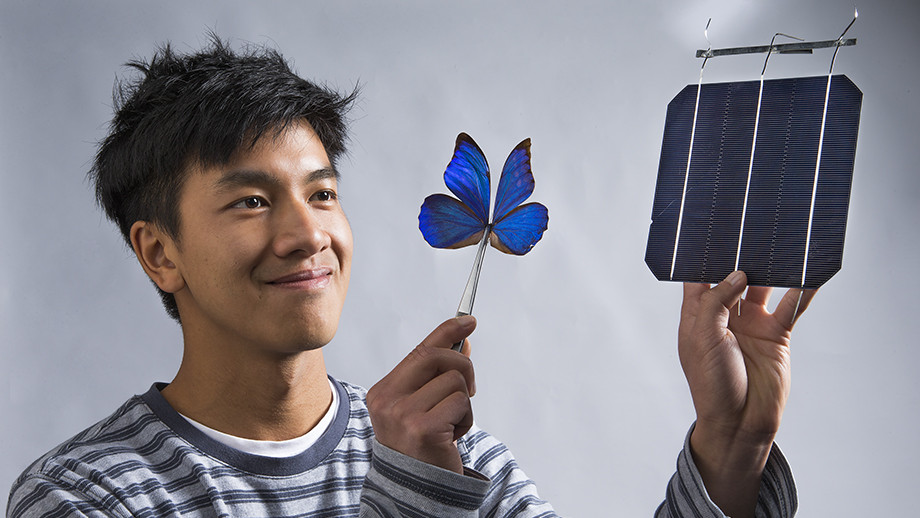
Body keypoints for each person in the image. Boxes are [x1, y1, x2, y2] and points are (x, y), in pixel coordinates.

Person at [7, 37, 813, 518]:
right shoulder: (86, 496)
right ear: (159, 253)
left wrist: (731, 449)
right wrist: (409, 497)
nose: (307, 234)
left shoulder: (458, 459)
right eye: (251, 201)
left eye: (322, 193)